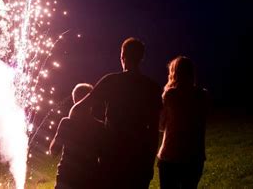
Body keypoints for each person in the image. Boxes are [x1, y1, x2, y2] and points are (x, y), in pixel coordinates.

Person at [71, 37, 162, 188]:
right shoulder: (152, 87)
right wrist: (149, 163)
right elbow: (153, 130)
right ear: (141, 58)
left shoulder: (111, 81)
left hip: (111, 157)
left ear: (122, 56)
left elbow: (80, 107)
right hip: (139, 159)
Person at [157, 56, 210, 189]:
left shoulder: (170, 95)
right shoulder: (202, 96)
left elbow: (160, 125)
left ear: (174, 73)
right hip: (195, 156)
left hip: (171, 156)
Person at [50, 83, 105, 189]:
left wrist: (58, 135)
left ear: (74, 100)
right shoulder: (100, 126)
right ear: (91, 102)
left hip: (66, 176)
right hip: (89, 178)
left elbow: (54, 151)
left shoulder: (67, 122)